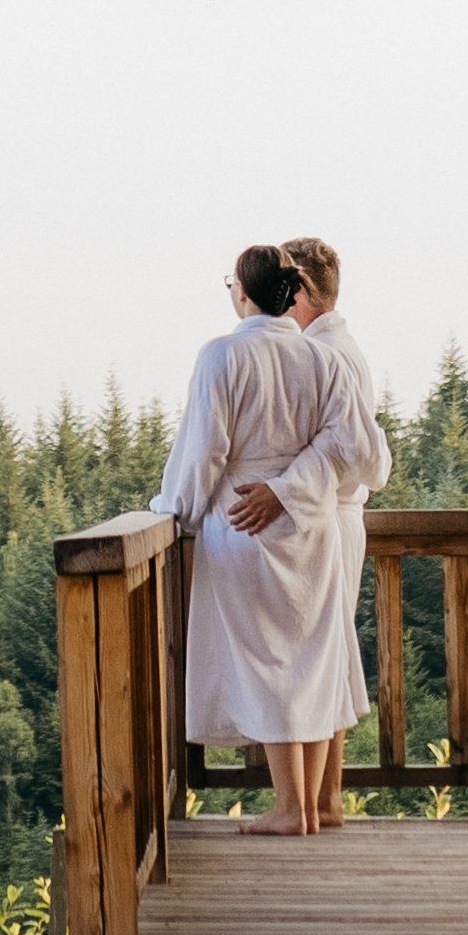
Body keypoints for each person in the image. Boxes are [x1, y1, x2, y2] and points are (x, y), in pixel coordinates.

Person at [159, 244, 368, 836]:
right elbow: (350, 446)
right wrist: (295, 487)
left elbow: (205, 453)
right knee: (308, 660)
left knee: (270, 663)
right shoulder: (322, 360)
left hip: (244, 524)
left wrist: (176, 510)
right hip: (313, 529)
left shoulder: (221, 356)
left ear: (242, 292)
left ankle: (289, 808)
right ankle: (308, 807)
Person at [274, 236, 386, 830]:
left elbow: (348, 449)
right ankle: (325, 800)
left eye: (284, 289)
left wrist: (282, 488)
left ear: (303, 292)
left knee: (317, 657)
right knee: (331, 652)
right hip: (338, 517)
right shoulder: (337, 346)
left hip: (330, 518)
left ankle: (317, 800)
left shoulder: (331, 353)